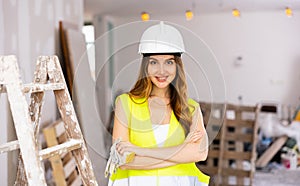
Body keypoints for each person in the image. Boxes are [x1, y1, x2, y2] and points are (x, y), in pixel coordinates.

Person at [108, 21, 210, 186]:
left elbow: (200, 153)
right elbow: (122, 159)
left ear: (177, 66)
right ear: (145, 66)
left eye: (169, 62)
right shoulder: (125, 103)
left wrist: (140, 151)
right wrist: (181, 151)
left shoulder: (191, 108)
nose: (161, 71)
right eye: (154, 62)